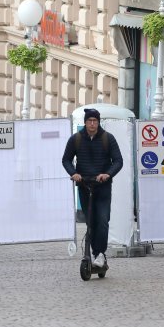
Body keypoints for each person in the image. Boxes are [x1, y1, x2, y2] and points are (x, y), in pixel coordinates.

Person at [62, 108, 123, 270]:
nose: (92, 124)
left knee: (102, 221)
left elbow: (118, 161)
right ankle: (91, 254)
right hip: (84, 186)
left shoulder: (107, 139)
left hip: (102, 187)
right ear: (85, 122)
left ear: (98, 122)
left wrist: (107, 174)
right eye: (90, 121)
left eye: (95, 121)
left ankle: (100, 254)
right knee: (90, 223)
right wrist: (73, 173)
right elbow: (66, 160)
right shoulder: (76, 140)